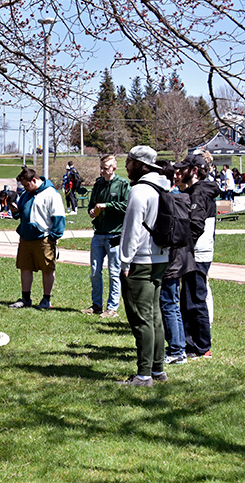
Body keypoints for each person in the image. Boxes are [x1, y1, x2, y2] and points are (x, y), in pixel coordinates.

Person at [117, 146, 169, 387]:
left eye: (129, 161)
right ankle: (158, 370)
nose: (126, 165)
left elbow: (132, 229)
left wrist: (125, 261)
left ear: (141, 165)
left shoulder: (139, 190)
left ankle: (144, 375)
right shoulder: (162, 186)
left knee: (141, 318)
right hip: (160, 258)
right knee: (155, 315)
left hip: (141, 261)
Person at [174, 153, 220, 359]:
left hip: (197, 254)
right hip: (197, 253)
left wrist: (183, 246)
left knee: (195, 300)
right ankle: (190, 343)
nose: (179, 172)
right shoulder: (198, 191)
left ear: (194, 171)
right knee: (189, 299)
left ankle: (202, 347)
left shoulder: (199, 193)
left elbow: (196, 224)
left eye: (183, 168)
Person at [8, 167, 65, 310]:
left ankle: (46, 299)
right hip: (26, 238)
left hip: (44, 238)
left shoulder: (52, 194)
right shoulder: (27, 194)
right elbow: (20, 212)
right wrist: (15, 211)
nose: (25, 189)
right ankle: (25, 298)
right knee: (25, 268)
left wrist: (53, 237)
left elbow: (59, 217)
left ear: (34, 180)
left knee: (47, 269)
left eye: (27, 185)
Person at [81, 155, 129, 319]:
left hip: (115, 234)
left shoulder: (122, 184)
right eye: (101, 167)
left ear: (114, 168)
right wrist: (92, 211)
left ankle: (112, 308)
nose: (102, 171)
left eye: (106, 168)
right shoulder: (98, 184)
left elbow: (127, 205)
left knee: (114, 272)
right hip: (98, 234)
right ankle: (96, 305)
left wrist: (107, 205)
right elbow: (91, 204)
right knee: (95, 271)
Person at [157, 161, 193, 366]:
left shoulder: (169, 200)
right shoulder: (182, 197)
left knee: (168, 303)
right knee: (172, 304)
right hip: (180, 257)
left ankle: (177, 350)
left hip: (171, 259)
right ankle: (178, 348)